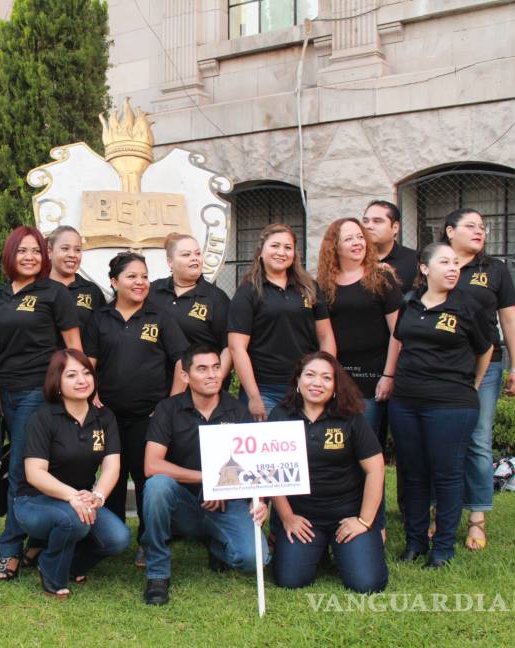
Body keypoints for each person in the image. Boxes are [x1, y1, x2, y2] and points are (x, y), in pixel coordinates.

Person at [389, 242, 493, 569]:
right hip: (405, 401)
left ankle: (443, 547)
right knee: (414, 473)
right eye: (444, 262)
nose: (452, 269)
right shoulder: (409, 303)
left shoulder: (467, 305)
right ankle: (416, 541)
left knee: (446, 474)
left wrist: (473, 385)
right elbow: (400, 340)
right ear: (424, 268)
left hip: (450, 403)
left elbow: (485, 347)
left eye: (456, 264)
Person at [141, 344, 269, 606]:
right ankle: (157, 573)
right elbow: (152, 465)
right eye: (202, 369)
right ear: (185, 376)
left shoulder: (237, 411)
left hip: (225, 502)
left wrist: (260, 501)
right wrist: (209, 479)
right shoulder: (168, 409)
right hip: (182, 502)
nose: (212, 375)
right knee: (156, 486)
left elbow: (253, 467)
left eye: (216, 367)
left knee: (254, 559)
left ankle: (215, 544)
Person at [0, 226, 81, 582]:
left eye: (36, 251)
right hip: (8, 392)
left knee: (19, 470)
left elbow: (73, 345)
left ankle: (9, 551)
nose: (30, 257)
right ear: (10, 255)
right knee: (32, 468)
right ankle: (39, 539)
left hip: (37, 391)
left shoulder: (54, 292)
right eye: (22, 251)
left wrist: (82, 387)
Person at [83, 252, 189, 564]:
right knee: (111, 478)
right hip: (109, 417)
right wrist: (92, 395)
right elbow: (88, 363)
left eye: (143, 276)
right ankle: (111, 538)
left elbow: (182, 360)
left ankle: (149, 541)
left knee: (146, 481)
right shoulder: (100, 318)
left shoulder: (159, 318)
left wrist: (169, 403)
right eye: (131, 277)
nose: (140, 282)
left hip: (149, 416)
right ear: (114, 282)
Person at [14, 349, 130, 598]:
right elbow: (35, 473)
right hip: (34, 501)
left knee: (118, 538)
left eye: (87, 373)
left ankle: (64, 563)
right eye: (72, 375)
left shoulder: (104, 417)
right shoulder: (42, 418)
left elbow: (112, 466)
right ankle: (52, 573)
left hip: (82, 499)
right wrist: (72, 496)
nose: (82, 380)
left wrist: (97, 496)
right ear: (57, 382)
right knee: (73, 520)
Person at [268, 352, 388, 593]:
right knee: (290, 580)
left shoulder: (350, 417)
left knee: (367, 584)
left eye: (326, 377)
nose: (316, 383)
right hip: (304, 516)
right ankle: (319, 547)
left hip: (347, 514)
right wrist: (287, 517)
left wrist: (364, 521)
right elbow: (272, 472)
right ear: (298, 381)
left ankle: (343, 544)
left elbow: (375, 468)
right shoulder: (280, 416)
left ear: (335, 386)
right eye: (310, 375)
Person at [441, 208, 515, 551]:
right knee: (441, 439)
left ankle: (477, 517)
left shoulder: (494, 269)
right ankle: (440, 512)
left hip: (486, 366)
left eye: (483, 227)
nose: (480, 232)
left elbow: (509, 319)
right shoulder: (434, 262)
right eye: (470, 226)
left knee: (477, 439)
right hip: (441, 366)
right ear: (449, 231)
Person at [316, 218, 401, 536]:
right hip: (337, 382)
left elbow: (398, 333)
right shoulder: (323, 284)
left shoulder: (382, 279)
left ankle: (375, 524)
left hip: (374, 382)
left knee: (370, 455)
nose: (357, 243)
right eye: (348, 238)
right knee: (340, 454)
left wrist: (388, 374)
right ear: (334, 246)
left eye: (360, 237)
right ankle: (343, 518)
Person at [228, 224, 336, 422]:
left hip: (306, 387)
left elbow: (326, 336)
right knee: (268, 452)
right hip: (264, 389)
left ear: (294, 254)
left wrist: (325, 377)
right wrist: (253, 396)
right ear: (261, 252)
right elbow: (237, 348)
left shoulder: (310, 288)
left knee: (307, 451)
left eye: (288, 247)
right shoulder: (248, 291)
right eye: (275, 246)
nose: (281, 252)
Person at [149, 233, 231, 383]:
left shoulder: (216, 298)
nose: (195, 258)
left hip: (201, 387)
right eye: (186, 254)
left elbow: (228, 347)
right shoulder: (152, 291)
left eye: (198, 253)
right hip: (157, 386)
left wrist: (216, 381)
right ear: (170, 262)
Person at [48, 225, 106, 327]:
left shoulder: (92, 291)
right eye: (65, 248)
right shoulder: (37, 288)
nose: (72, 255)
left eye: (77, 250)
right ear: (50, 251)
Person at [362, 200, 418, 293]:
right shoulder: (355, 258)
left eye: (377, 221)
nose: (368, 226)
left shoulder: (414, 260)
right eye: (365, 221)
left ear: (395, 227)